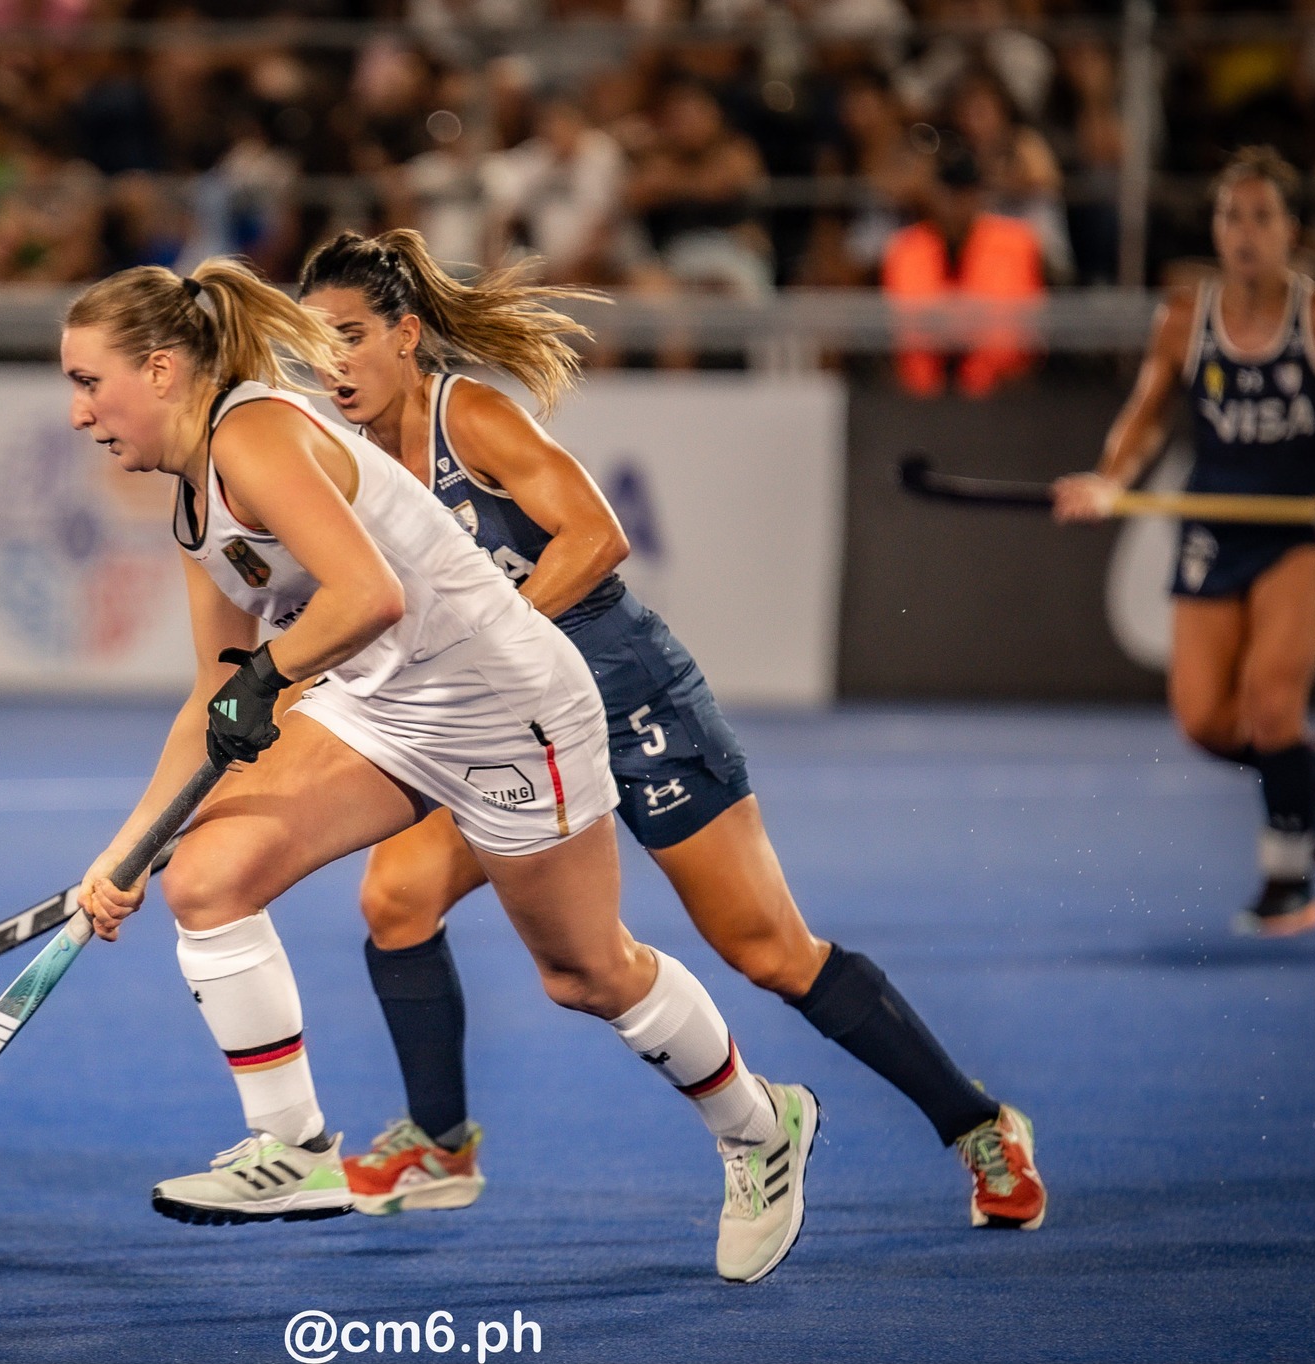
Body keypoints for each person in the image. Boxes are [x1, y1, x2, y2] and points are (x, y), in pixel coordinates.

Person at [63, 257, 819, 1283]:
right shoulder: (193, 504)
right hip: (391, 705)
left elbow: (365, 595)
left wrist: (270, 675)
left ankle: (757, 1121)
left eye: (84, 382)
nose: (76, 413)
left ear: (157, 371)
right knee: (204, 876)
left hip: (508, 704)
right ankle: (293, 1148)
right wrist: (123, 854)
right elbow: (214, 693)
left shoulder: (256, 433)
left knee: (583, 972)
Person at [297, 228, 1048, 1232]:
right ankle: (438, 1143)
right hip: (505, 719)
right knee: (395, 896)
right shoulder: (333, 455)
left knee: (768, 949)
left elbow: (594, 535)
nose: (329, 361)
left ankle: (977, 1123)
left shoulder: (464, 414)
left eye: (348, 335)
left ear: (405, 334)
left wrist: (486, 632)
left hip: (621, 694)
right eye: (312, 342)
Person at [1055, 146, 1315, 937]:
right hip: (1215, 530)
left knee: (1270, 704)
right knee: (1204, 721)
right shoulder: (1186, 319)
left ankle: (1287, 877)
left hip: (1299, 533)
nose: (1246, 232)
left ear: (1292, 229)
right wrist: (1108, 478)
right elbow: (1147, 414)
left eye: (1263, 216)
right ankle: (1311, 767)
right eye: (1233, 217)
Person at [883, 137, 1046, 398]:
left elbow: (1024, 329)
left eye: (965, 192)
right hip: (920, 396)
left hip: (1001, 394)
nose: (955, 203)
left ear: (979, 194)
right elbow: (900, 328)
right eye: (947, 191)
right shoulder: (904, 248)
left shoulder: (1018, 243)